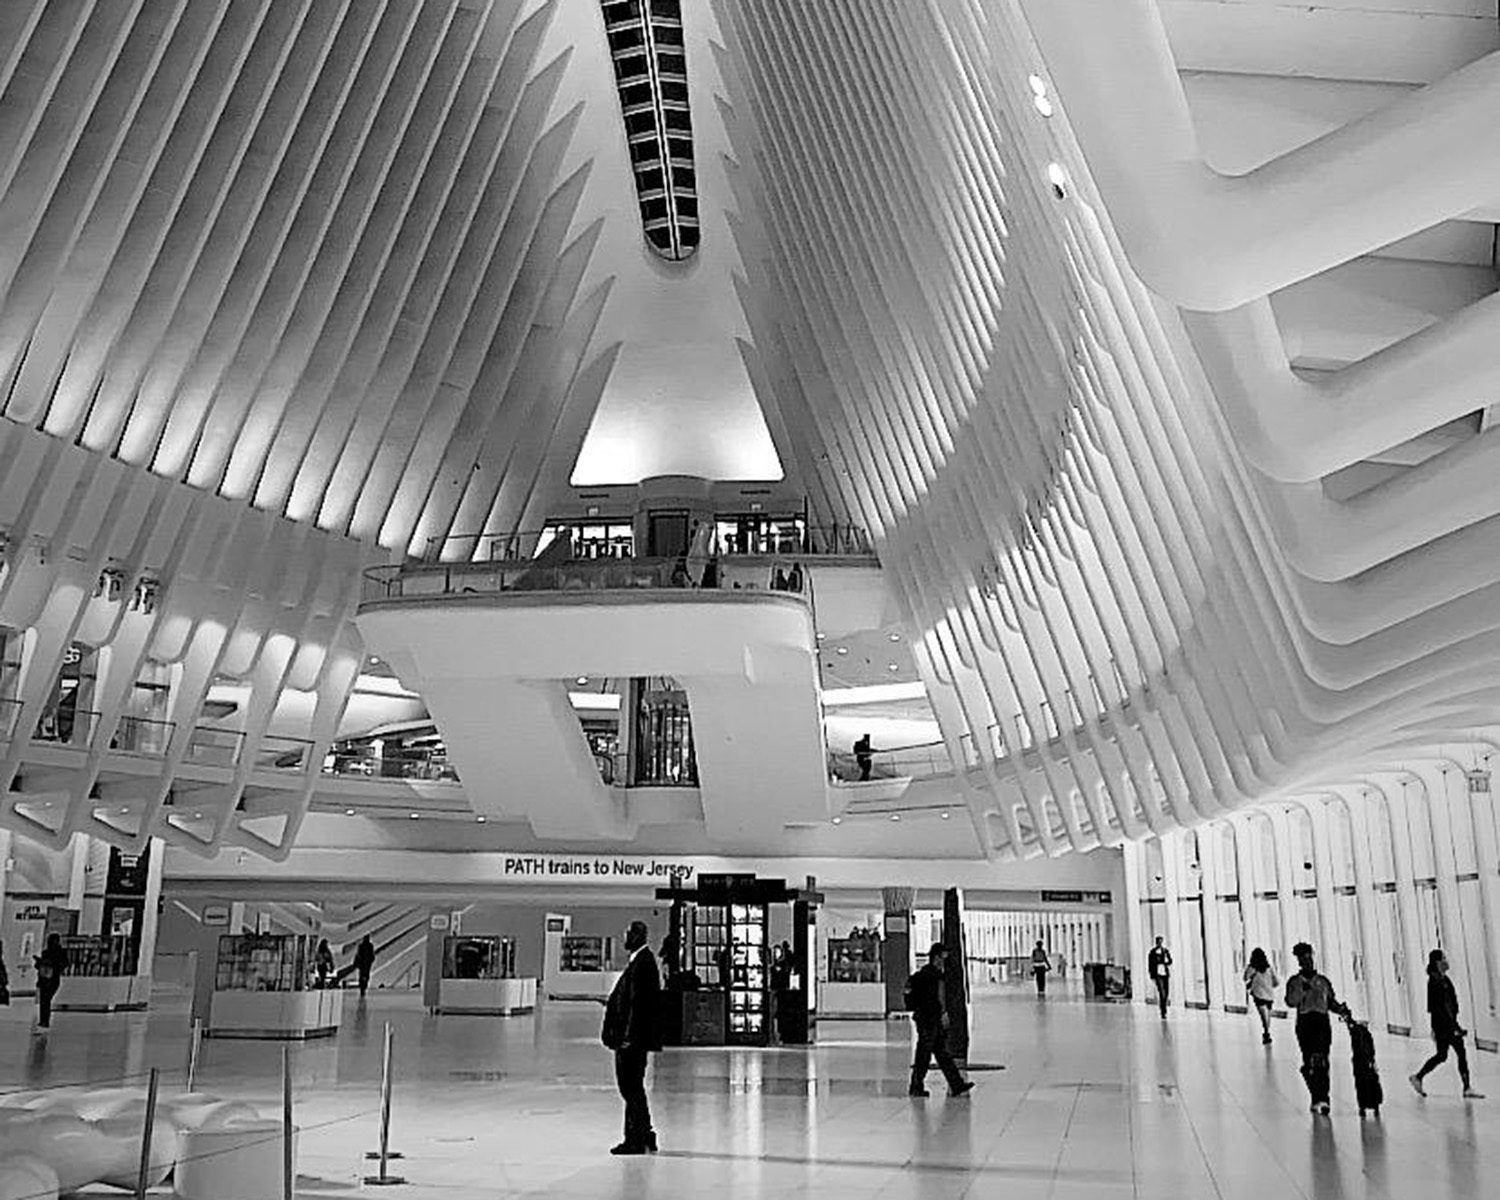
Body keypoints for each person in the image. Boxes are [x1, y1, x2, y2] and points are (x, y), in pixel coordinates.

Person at [601, 920, 662, 1155]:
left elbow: (640, 1005)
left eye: (627, 934)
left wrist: (629, 1036)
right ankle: (645, 1134)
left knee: (630, 1089)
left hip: (632, 1041)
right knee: (634, 1088)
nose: (624, 938)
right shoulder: (639, 961)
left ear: (637, 936)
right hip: (633, 1038)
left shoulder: (643, 963)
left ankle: (635, 1139)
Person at [1410, 948, 1484, 1100]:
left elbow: (1451, 1004)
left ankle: (1418, 1077)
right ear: (1438, 962)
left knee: (1442, 1055)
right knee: (1458, 1052)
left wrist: (1455, 1023)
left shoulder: (1444, 979)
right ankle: (1466, 1087)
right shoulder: (1434, 981)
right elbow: (1436, 1008)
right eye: (1444, 958)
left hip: (1449, 1023)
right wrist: (1448, 1027)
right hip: (1443, 1026)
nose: (1446, 961)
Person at [1286, 942, 1349, 1115]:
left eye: (1309, 957)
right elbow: (1290, 1002)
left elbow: (1330, 1002)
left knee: (1322, 1059)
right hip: (1305, 1023)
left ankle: (1322, 1098)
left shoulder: (1323, 981)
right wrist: (1302, 991)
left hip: (1322, 1022)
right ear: (1299, 961)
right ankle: (1316, 1094)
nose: (1307, 961)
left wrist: (1341, 1010)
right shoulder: (1294, 982)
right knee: (1309, 1061)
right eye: (1303, 958)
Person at [904, 944, 975, 1099]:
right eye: (942, 958)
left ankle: (956, 1084)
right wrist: (943, 1014)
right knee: (925, 1055)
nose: (944, 962)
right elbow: (938, 998)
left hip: (926, 1019)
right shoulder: (933, 976)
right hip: (930, 1021)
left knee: (941, 1054)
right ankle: (917, 1086)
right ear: (936, 957)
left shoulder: (925, 974)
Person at [1244, 947, 1279, 1045]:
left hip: (1258, 994)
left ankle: (1266, 1032)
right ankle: (1267, 1032)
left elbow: (1245, 977)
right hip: (1269, 994)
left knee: (1263, 1014)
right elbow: (1276, 982)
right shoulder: (1269, 968)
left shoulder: (1251, 968)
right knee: (1267, 1014)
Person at [33, 934, 66, 1029]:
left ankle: (44, 1020)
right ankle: (43, 1020)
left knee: (45, 999)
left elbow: (62, 965)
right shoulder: (47, 953)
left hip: (51, 978)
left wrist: (50, 964)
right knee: (44, 1000)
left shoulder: (57, 953)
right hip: (47, 978)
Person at [1147, 936, 1172, 1017]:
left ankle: (1164, 1007)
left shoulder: (1165, 951)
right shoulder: (1152, 952)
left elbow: (1170, 961)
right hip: (1157, 974)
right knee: (1162, 992)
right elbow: (1150, 965)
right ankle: (1163, 1011)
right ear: (1156, 942)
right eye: (1159, 942)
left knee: (1166, 991)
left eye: (1161, 941)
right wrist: (1152, 975)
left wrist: (1166, 961)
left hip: (1165, 973)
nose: (1160, 943)